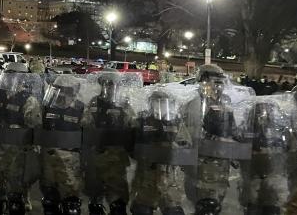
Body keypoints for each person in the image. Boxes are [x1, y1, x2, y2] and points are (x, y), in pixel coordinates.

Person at [189, 64, 253, 214]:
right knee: (206, 203)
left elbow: (232, 128)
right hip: (205, 162)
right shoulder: (196, 101)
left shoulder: (225, 100)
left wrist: (241, 141)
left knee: (218, 201)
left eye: (220, 81)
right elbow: (192, 132)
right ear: (203, 80)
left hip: (222, 160)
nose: (219, 85)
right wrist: (219, 139)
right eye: (215, 81)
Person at [0, 63, 43, 215]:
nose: (9, 79)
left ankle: (22, 198)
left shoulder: (28, 100)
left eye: (12, 76)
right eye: (7, 75)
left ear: (22, 78)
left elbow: (35, 126)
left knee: (16, 191)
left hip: (17, 152)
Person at [130, 86, 200, 215]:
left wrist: (175, 146)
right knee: (142, 209)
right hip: (147, 176)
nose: (160, 106)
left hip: (170, 175)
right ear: (151, 104)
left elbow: (186, 143)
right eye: (157, 102)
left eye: (164, 102)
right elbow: (132, 145)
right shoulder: (143, 121)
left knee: (173, 210)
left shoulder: (175, 122)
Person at [37, 74, 94, 215]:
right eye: (59, 89)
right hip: (49, 159)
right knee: (50, 201)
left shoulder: (81, 109)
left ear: (73, 91)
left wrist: (87, 160)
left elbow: (88, 134)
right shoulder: (47, 106)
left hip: (70, 161)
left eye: (66, 90)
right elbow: (38, 128)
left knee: (71, 204)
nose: (62, 93)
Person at [86, 70, 141, 214]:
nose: (109, 87)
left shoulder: (123, 104)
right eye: (106, 84)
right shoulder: (94, 102)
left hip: (116, 158)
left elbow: (132, 126)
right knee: (95, 203)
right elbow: (86, 125)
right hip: (97, 155)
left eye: (112, 84)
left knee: (118, 204)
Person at [241, 96, 297, 213]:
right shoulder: (248, 130)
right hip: (254, 175)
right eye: (260, 112)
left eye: (267, 111)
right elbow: (240, 153)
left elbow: (294, 153)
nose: (264, 115)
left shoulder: (283, 131)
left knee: (274, 202)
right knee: (252, 202)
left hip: (276, 173)